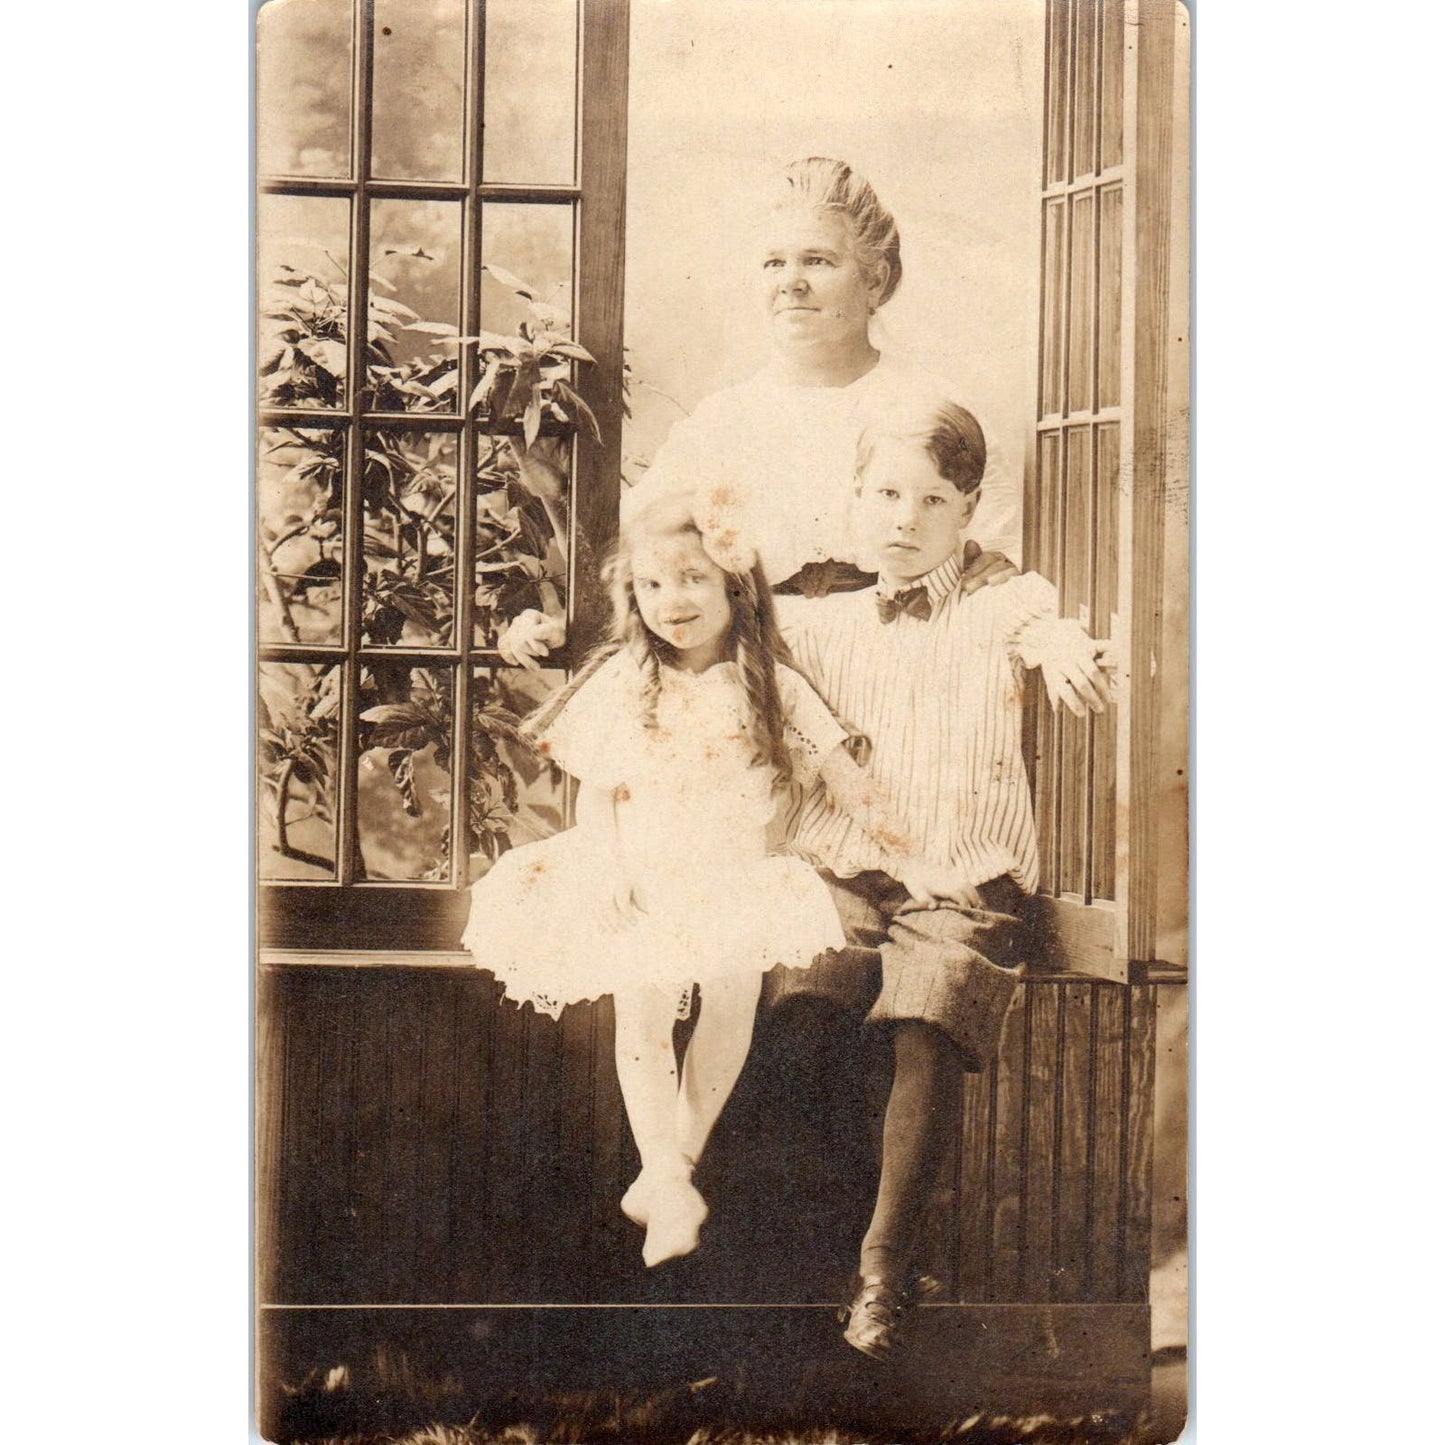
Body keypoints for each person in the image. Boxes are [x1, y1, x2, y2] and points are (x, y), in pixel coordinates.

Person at [464, 484, 969, 1270]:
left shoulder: (772, 684)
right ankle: (662, 1172)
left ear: (736, 585)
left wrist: (912, 861)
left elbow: (847, 782)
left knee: (730, 1000)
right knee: (643, 1010)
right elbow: (597, 790)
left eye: (694, 579)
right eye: (653, 584)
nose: (674, 601)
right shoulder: (629, 680)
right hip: (640, 871)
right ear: (632, 594)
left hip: (733, 876)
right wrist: (605, 864)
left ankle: (675, 1165)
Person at [772, 395, 1114, 1358]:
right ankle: (800, 1266)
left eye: (931, 499)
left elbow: (1046, 631)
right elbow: (693, 629)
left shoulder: (1008, 601)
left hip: (966, 879)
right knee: (806, 1001)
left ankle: (883, 1271)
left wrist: (1066, 654)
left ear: (968, 509)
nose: (903, 520)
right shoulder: (818, 619)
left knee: (926, 1018)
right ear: (854, 496)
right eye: (884, 493)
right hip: (845, 868)